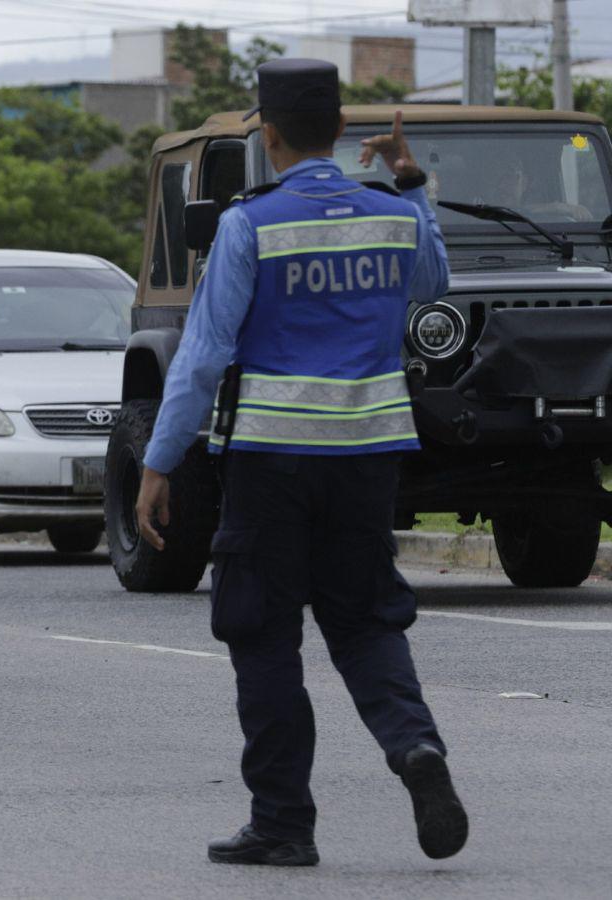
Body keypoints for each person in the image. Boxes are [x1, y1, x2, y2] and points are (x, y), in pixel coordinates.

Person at [135, 59, 468, 866]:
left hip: (272, 460)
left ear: (270, 135)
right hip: (367, 460)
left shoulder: (253, 224)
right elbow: (436, 280)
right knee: (365, 622)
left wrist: (158, 462)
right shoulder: (394, 215)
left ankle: (283, 822)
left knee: (263, 634)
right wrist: (409, 179)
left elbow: (205, 355)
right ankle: (415, 748)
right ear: (343, 132)